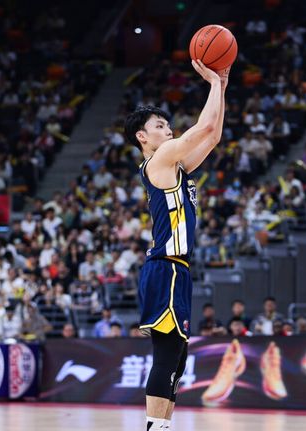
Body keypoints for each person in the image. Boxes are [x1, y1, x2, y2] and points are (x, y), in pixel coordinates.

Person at [123, 59, 228, 431]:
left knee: (178, 359)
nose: (168, 130)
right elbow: (203, 127)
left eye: (168, 125)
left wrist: (222, 86)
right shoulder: (160, 159)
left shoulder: (176, 166)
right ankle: (154, 427)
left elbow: (213, 135)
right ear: (142, 137)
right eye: (159, 126)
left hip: (177, 269)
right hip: (165, 266)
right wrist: (212, 83)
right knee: (167, 354)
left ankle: (163, 426)